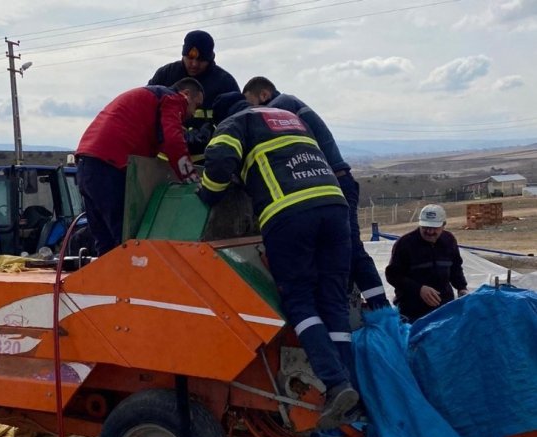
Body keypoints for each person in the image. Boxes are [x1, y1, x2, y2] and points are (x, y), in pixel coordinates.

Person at [198, 91, 358, 430]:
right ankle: (353, 389)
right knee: (333, 301)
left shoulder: (234, 122)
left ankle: (335, 384)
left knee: (299, 301)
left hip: (290, 213)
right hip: (334, 206)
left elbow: (220, 160)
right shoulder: (289, 120)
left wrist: (208, 193)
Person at [242, 76, 389, 310]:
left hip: (334, 185)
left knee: (350, 248)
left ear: (263, 95)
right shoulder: (293, 105)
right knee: (339, 251)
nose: (252, 112)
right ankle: (357, 305)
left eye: (251, 104)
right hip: (335, 185)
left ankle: (381, 311)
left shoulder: (281, 106)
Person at [75, 78, 204, 256]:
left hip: (86, 165)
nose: (192, 114)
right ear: (187, 95)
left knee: (106, 246)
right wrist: (193, 181)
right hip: (111, 167)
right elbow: (173, 142)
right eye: (195, 107)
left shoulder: (148, 101)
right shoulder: (173, 99)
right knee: (128, 243)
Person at [148, 30, 240, 159]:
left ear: (211, 57)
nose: (194, 64)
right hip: (164, 158)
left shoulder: (225, 83)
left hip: (207, 160)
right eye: (190, 58)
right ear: (183, 55)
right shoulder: (166, 75)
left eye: (201, 60)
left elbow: (236, 124)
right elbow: (148, 111)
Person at [385, 204, 468, 322]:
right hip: (412, 311)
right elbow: (393, 275)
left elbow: (455, 268)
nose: (429, 231)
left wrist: (461, 288)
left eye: (434, 228)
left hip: (443, 307)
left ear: (443, 225)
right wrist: (419, 289)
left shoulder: (449, 240)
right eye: (425, 227)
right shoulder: (405, 244)